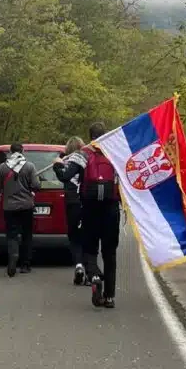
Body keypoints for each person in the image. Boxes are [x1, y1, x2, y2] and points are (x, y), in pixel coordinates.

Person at [58, 122, 120, 310]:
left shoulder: (82, 154)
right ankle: (109, 297)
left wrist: (57, 166)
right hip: (111, 210)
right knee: (110, 253)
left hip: (89, 208)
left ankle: (93, 276)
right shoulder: (115, 153)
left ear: (90, 136)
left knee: (89, 249)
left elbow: (65, 176)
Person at [0, 142, 41, 277]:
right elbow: (36, 185)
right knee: (27, 235)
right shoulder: (29, 166)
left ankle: (13, 256)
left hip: (9, 207)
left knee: (12, 235)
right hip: (26, 206)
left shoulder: (3, 167)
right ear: (22, 152)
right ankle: (25, 265)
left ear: (10, 152)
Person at [53, 136, 87, 286]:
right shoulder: (87, 159)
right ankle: (88, 269)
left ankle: (78, 265)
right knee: (86, 236)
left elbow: (64, 176)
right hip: (86, 201)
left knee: (74, 236)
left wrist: (56, 165)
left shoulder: (73, 160)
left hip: (73, 201)